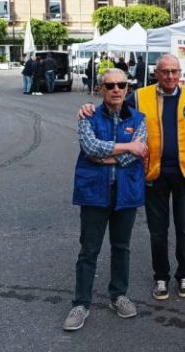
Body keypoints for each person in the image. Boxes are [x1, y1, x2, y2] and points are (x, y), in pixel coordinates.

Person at [78, 55, 185, 300]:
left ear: (180, 73)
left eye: (174, 71)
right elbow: (114, 106)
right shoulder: (139, 97)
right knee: (158, 231)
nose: (170, 76)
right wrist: (88, 108)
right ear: (156, 73)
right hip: (152, 173)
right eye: (165, 71)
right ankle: (161, 277)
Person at [63, 68, 148, 331]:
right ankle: (81, 303)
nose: (115, 89)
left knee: (121, 247)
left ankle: (119, 295)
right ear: (101, 89)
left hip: (126, 192)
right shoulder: (88, 115)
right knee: (89, 249)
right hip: (94, 192)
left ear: (127, 88)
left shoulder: (139, 118)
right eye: (110, 85)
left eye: (121, 84)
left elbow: (139, 151)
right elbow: (90, 147)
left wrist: (109, 156)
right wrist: (126, 147)